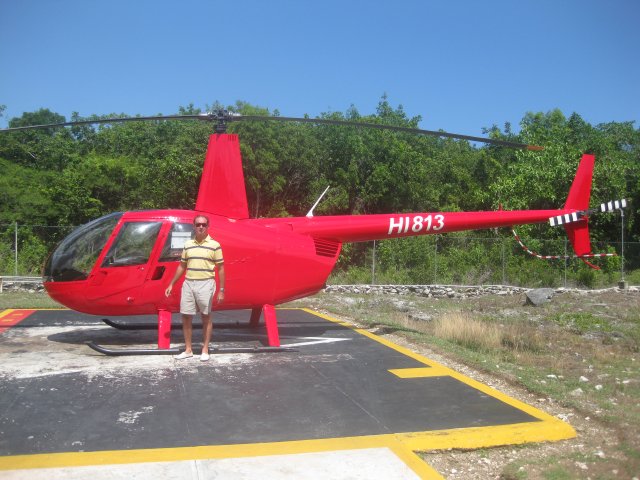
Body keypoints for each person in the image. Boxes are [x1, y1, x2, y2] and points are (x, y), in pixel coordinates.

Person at [165, 215, 225, 361]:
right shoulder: (188, 245)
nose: (201, 227)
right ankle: (188, 349)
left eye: (204, 224)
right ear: (194, 226)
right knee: (186, 316)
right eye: (198, 224)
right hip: (189, 283)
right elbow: (182, 266)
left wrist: (221, 290)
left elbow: (221, 268)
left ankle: (205, 349)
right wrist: (172, 283)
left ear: (207, 226)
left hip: (206, 283)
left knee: (206, 316)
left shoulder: (215, 245)